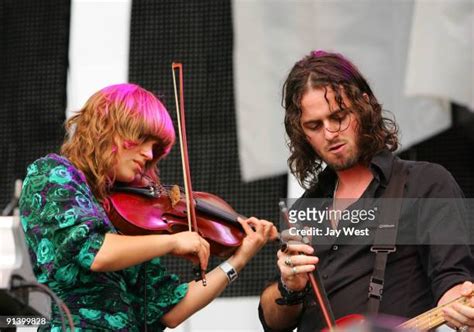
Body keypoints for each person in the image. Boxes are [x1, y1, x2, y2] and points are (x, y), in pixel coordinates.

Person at [19, 83, 277, 331]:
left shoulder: (123, 220)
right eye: (142, 139)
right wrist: (172, 242)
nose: (149, 155)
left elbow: (171, 311)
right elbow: (96, 252)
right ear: (107, 126)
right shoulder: (53, 175)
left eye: (155, 148)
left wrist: (239, 260)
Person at [258, 51, 474, 331]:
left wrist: (461, 306)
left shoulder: (425, 183)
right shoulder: (303, 210)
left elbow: (454, 281)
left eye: (338, 116)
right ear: (302, 134)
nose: (330, 132)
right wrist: (290, 288)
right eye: (314, 125)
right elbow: (274, 325)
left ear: (364, 105)